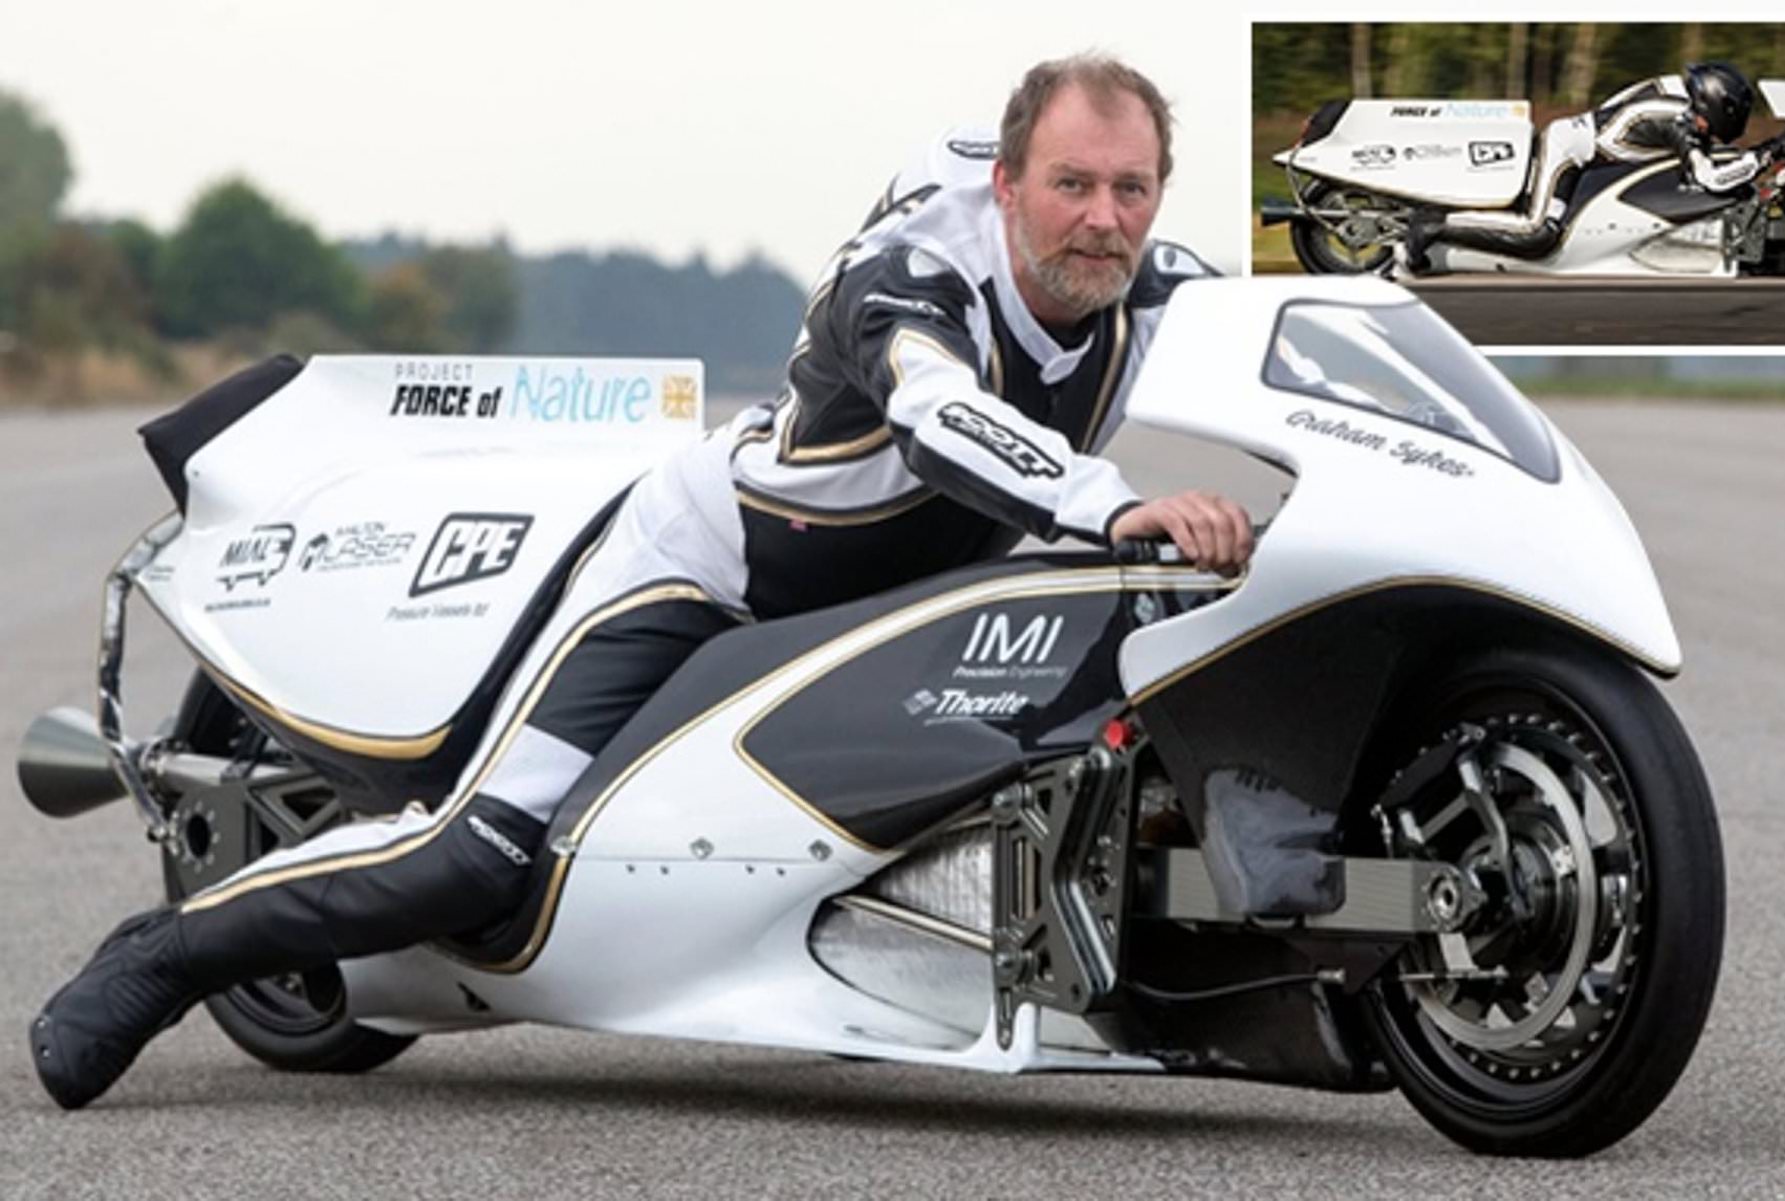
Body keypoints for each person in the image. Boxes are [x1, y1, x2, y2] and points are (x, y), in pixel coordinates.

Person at [29, 53, 1250, 1109]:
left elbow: (1293, 336)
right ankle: (162, 956)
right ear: (1007, 183)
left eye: (1129, 189)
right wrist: (1113, 502)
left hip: (877, 612)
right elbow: (937, 415)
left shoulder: (1155, 284)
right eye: (1071, 185)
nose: (1101, 217)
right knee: (478, 855)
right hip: (709, 573)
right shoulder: (907, 280)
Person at [1406, 61, 1785, 269]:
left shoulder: (1676, 94)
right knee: (1539, 234)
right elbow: (1707, 177)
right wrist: (1771, 151)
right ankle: (1436, 224)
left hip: (1586, 149)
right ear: (1715, 104)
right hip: (1568, 152)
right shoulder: (1678, 121)